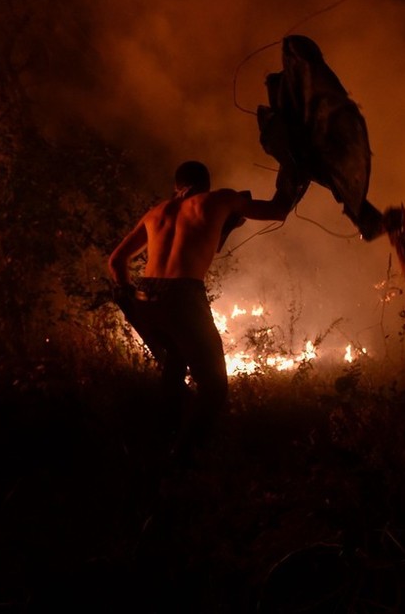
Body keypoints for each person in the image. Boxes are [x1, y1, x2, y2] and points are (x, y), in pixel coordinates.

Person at [108, 160, 290, 463]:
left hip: (145, 296)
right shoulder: (220, 199)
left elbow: (116, 261)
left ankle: (157, 449)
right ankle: (183, 462)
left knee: (174, 370)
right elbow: (277, 211)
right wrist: (295, 174)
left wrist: (131, 297)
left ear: (177, 187)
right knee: (214, 386)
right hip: (183, 296)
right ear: (206, 185)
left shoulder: (157, 212)